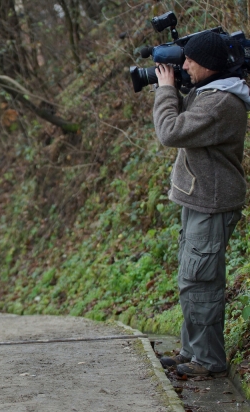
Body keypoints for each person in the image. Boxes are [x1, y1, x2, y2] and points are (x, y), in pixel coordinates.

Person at [153, 31, 249, 377]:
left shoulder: (220, 102)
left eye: (190, 61)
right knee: (192, 277)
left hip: (211, 201)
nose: (185, 66)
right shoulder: (208, 91)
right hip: (200, 196)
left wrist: (166, 90)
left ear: (210, 65)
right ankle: (193, 351)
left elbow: (170, 131)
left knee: (202, 281)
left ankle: (208, 361)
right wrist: (173, 88)